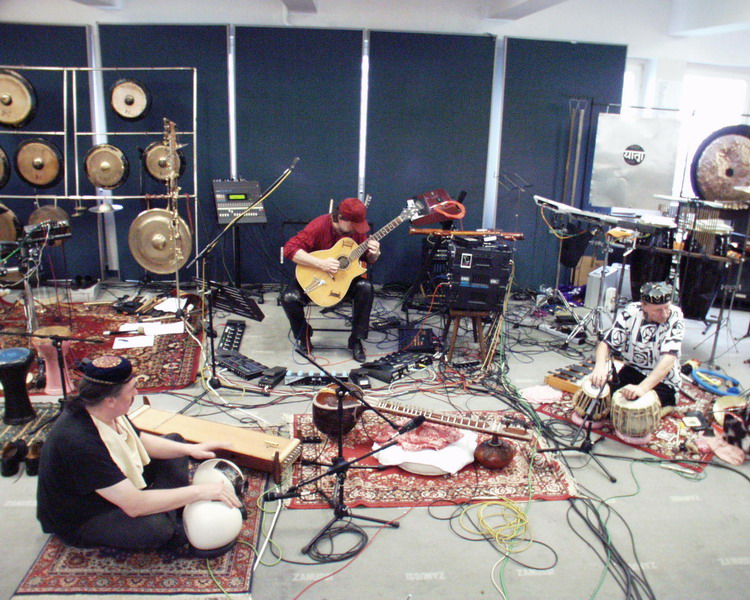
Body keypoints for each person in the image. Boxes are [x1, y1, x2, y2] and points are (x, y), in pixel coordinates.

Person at [37, 355, 241, 551]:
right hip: (85, 516)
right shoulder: (79, 442)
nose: (136, 393)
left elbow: (138, 439)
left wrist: (191, 449)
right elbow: (134, 505)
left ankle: (169, 506)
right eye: (131, 389)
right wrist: (200, 492)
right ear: (110, 400)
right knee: (157, 528)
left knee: (176, 443)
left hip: (115, 488)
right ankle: (172, 516)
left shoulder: (102, 408)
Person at [281, 197, 381, 362]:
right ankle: (303, 335)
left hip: (343, 281)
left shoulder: (355, 231)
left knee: (366, 288)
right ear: (340, 218)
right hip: (316, 278)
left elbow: (367, 259)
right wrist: (321, 264)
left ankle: (356, 339)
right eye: (354, 225)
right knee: (289, 298)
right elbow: (290, 249)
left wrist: (374, 254)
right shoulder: (319, 226)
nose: (357, 229)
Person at [590, 281, 685, 408]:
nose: (664, 314)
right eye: (658, 310)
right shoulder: (631, 312)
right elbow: (606, 344)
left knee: (634, 408)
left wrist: (642, 388)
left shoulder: (675, 315)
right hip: (633, 370)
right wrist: (599, 367)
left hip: (664, 380)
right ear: (644, 306)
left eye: (667, 307)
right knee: (601, 401)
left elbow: (669, 360)